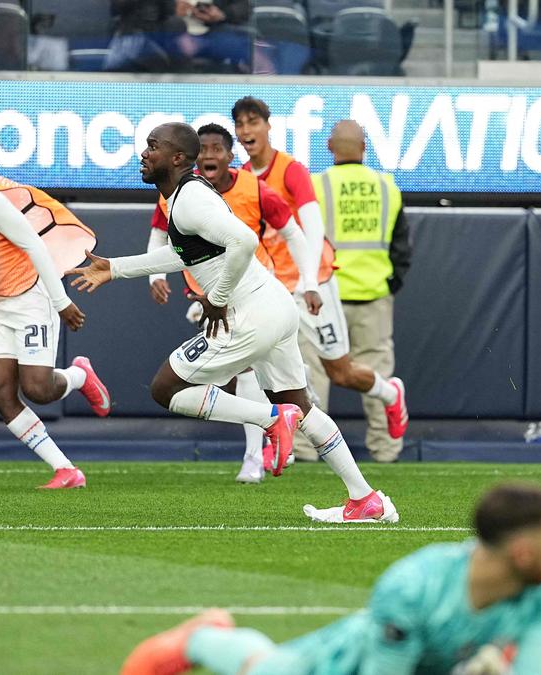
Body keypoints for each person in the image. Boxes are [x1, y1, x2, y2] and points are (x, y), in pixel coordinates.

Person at [69, 122, 398, 523]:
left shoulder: (189, 199)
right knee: (300, 405)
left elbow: (244, 240)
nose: (144, 153)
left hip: (253, 313)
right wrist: (117, 268)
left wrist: (217, 297)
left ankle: (272, 421)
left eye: (152, 146)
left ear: (176, 158)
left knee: (166, 389)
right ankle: (365, 498)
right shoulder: (187, 197)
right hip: (275, 306)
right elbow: (188, 257)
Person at [122, 483, 541, 675]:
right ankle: (202, 637)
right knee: (266, 669)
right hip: (340, 665)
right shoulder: (413, 586)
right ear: (521, 551)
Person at [233, 96, 409, 463]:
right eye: (241, 124)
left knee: (337, 372)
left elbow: (311, 228)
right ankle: (291, 448)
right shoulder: (386, 186)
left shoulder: (302, 175)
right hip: (300, 288)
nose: (247, 130)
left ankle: (389, 396)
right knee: (278, 367)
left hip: (318, 284)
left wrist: (311, 280)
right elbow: (402, 243)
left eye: (253, 122)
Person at [146, 122, 319, 483]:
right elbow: (166, 241)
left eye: (216, 149)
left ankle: (256, 452)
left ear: (229, 156)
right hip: (220, 296)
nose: (210, 155)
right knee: (293, 400)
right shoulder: (179, 195)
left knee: (188, 384)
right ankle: (362, 493)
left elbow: (281, 233)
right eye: (204, 149)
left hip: (249, 297)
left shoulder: (252, 189)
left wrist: (310, 281)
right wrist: (149, 275)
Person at [0, 157, 110, 486]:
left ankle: (77, 375)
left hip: (27, 297)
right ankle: (66, 469)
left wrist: (61, 302)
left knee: (38, 389)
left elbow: (33, 244)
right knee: (0, 392)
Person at [312, 120, 413, 462]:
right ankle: (386, 450)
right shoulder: (387, 186)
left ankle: (304, 451)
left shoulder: (316, 185)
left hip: (325, 297)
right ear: (365, 147)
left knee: (313, 374)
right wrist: (389, 283)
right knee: (378, 377)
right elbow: (402, 247)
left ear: (329, 147)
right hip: (373, 295)